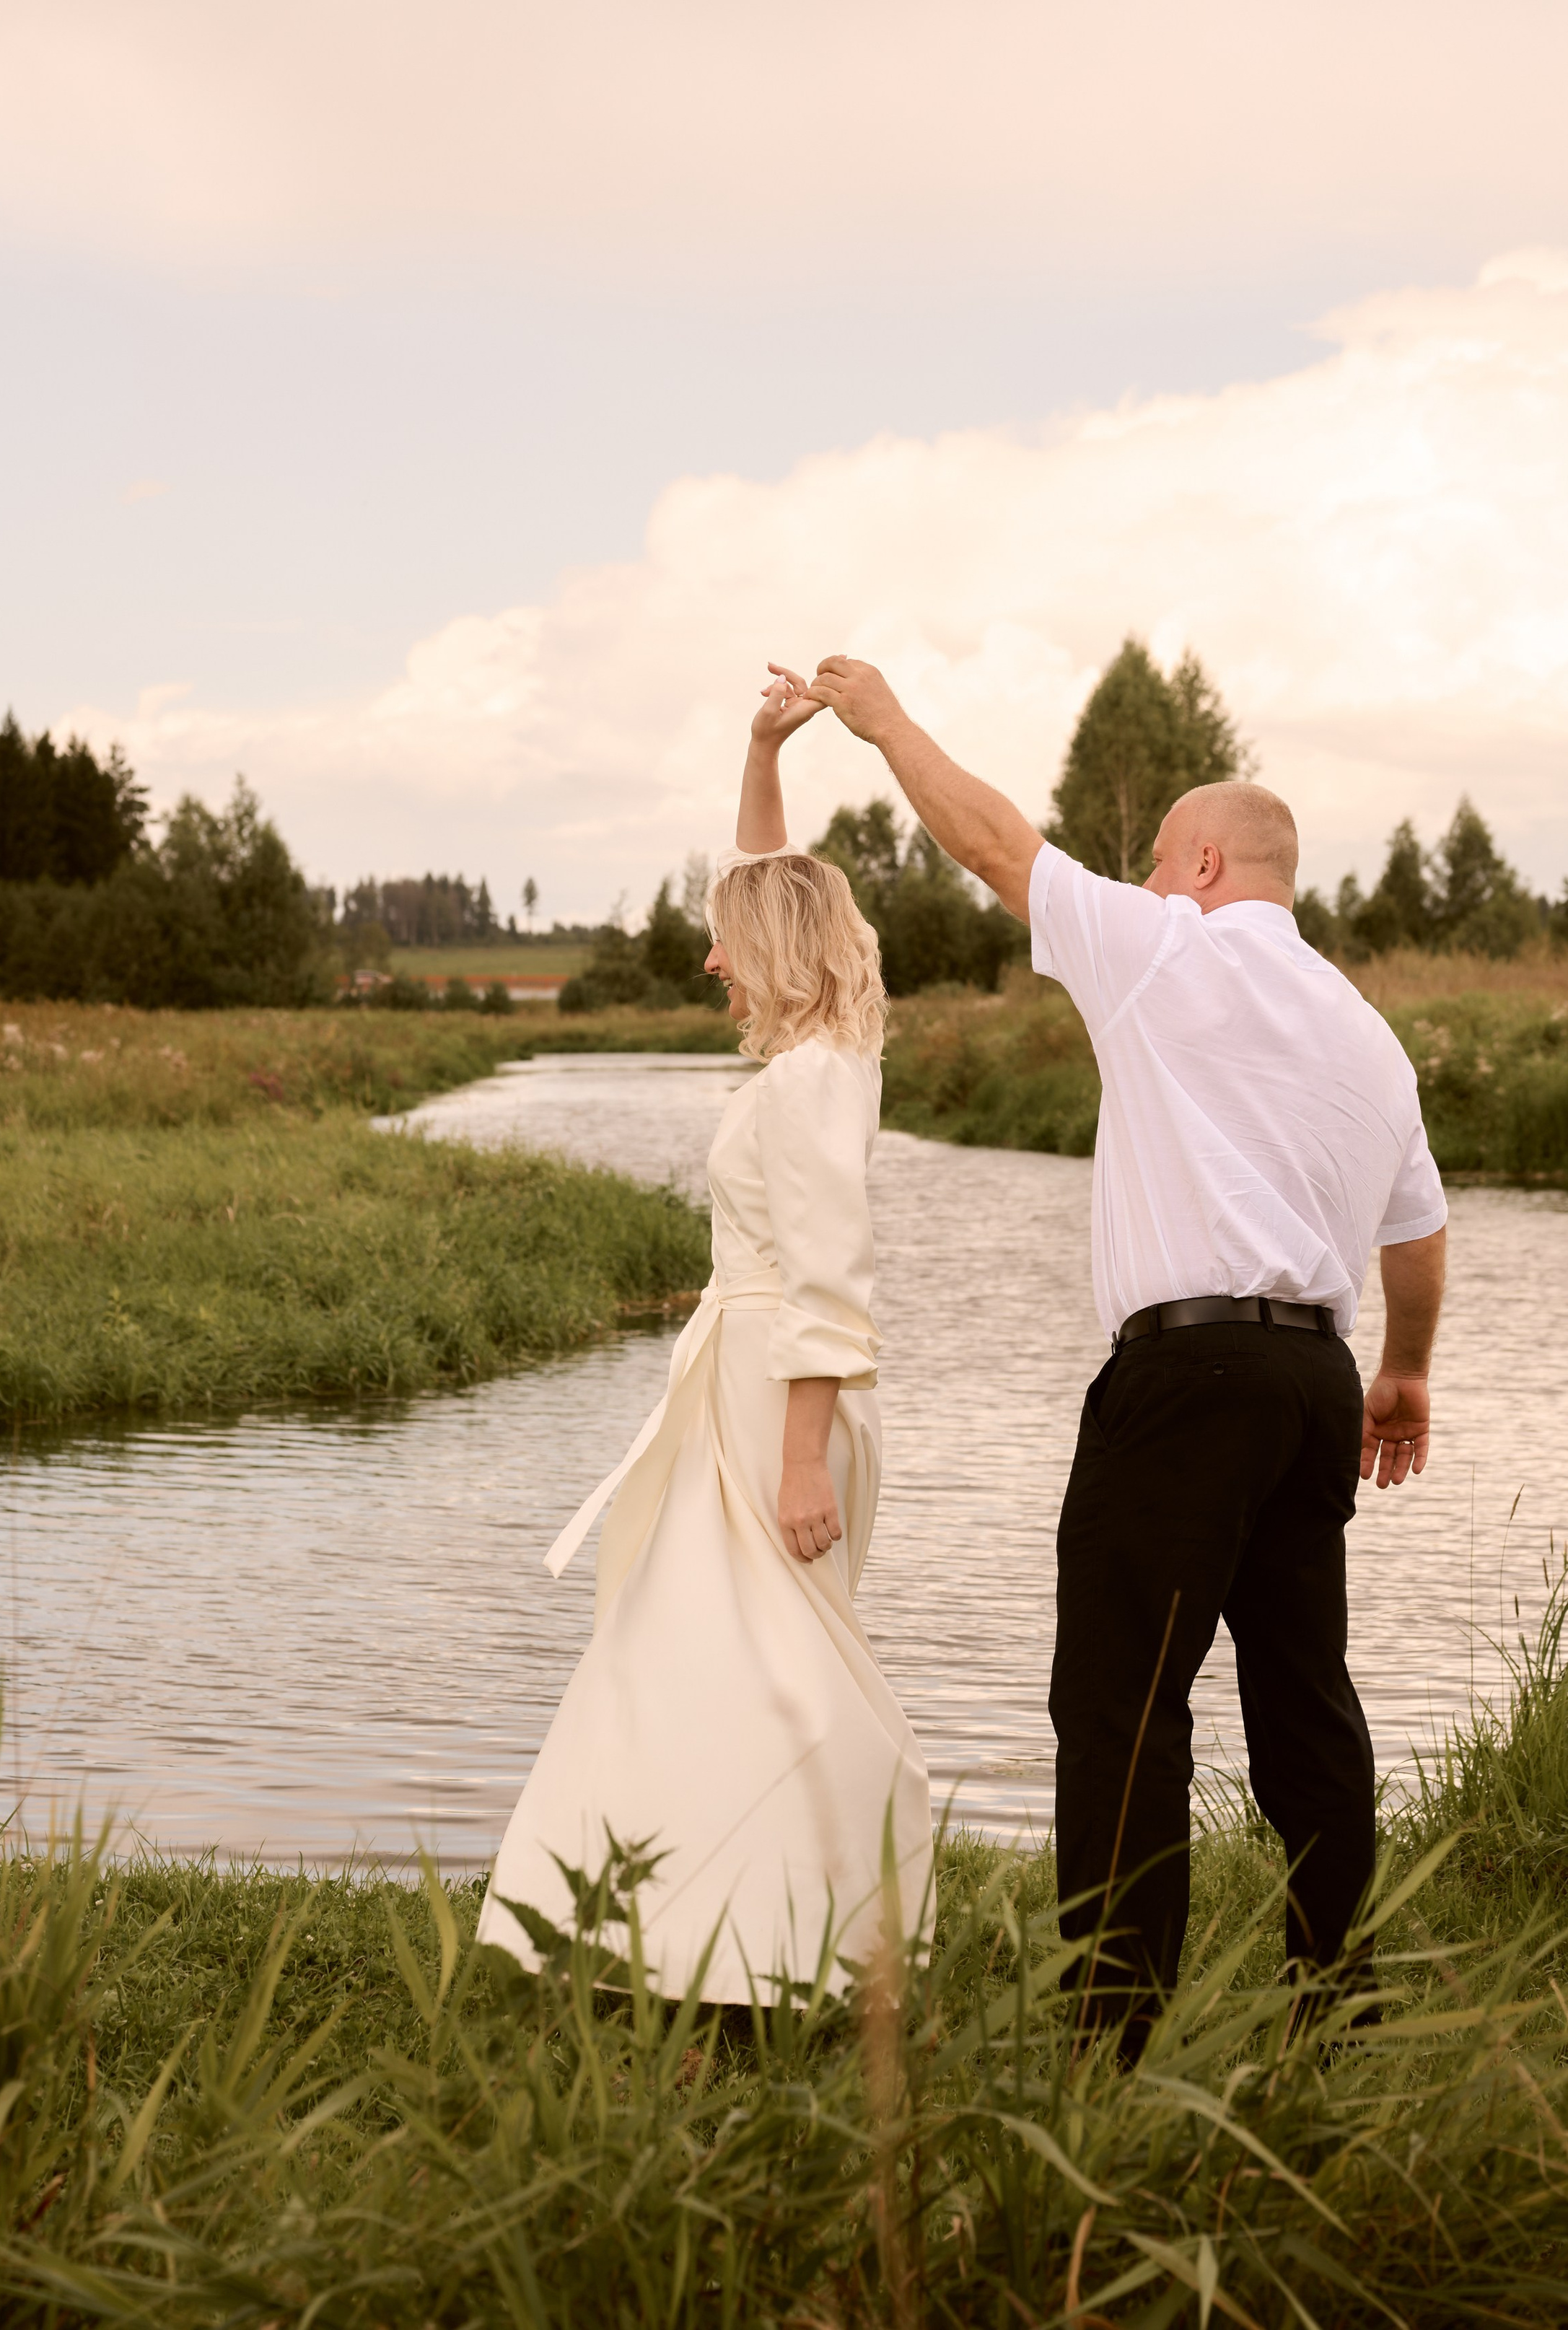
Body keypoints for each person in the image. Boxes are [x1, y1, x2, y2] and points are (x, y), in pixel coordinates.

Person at [805, 654, 1447, 2049]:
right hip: (1314, 1384)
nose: (1145, 882)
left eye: (1156, 860)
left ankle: (1112, 2041)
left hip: (1187, 1380)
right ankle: (1333, 2001)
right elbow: (1420, 1228)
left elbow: (988, 841)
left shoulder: (1168, 949)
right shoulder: (1369, 1032)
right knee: (1306, 1705)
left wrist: (885, 723)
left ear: (1204, 861)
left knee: (1121, 1708)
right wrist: (1405, 1372)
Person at [478, 666, 932, 2003]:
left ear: (774, 954)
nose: (710, 959)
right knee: (693, 1648)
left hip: (776, 1407)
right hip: (739, 1391)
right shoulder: (818, 1060)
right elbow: (767, 871)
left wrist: (800, 1462)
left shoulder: (812, 1087)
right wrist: (759, 749)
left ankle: (808, 1941)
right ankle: (691, 1935)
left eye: (727, 942)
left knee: (777, 1662)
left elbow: (830, 1289)